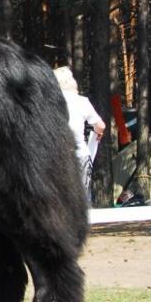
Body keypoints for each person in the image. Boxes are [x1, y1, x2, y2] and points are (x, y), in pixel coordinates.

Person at [53, 66, 106, 201]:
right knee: (80, 198)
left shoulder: (50, 102)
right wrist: (98, 133)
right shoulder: (82, 101)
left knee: (59, 197)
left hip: (56, 156)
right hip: (80, 155)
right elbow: (100, 125)